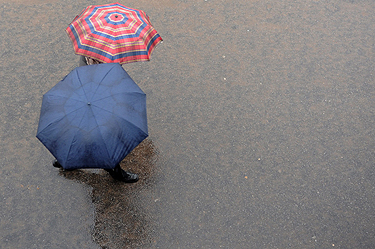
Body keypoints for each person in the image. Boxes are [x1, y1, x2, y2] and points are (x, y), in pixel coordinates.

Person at [52, 55, 139, 183]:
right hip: (98, 84)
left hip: (87, 78)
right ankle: (113, 168)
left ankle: (68, 157)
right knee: (104, 127)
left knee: (83, 123)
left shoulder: (91, 39)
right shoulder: (111, 47)